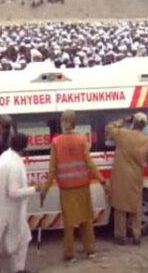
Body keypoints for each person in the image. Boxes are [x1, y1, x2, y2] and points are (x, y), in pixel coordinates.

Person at [41, 110, 106, 262]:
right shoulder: (82, 140)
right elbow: (90, 163)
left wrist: (45, 188)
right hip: (83, 186)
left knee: (69, 222)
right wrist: (102, 181)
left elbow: (52, 169)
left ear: (65, 123)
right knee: (86, 218)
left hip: (66, 189)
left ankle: (70, 255)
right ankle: (90, 250)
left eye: (63, 120)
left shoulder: (56, 142)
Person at [0, 133, 38, 273]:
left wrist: (28, 187)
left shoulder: (5, 156)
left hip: (1, 210)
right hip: (10, 212)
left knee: (21, 240)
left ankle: (18, 269)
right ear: (25, 148)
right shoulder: (14, 165)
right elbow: (13, 192)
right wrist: (34, 189)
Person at [105, 113, 148, 246]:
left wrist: (122, 120)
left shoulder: (123, 134)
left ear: (133, 122)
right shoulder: (146, 139)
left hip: (121, 177)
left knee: (120, 208)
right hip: (136, 176)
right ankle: (137, 236)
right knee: (136, 207)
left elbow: (109, 127)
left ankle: (121, 237)